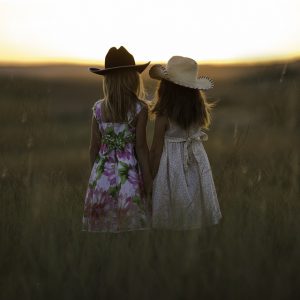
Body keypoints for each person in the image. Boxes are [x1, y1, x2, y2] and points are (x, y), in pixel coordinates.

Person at [82, 46, 152, 232]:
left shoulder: (98, 108)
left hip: (101, 175)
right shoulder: (139, 109)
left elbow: (93, 147)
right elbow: (142, 148)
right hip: (128, 176)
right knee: (130, 228)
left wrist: (95, 176)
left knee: (103, 230)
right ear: (133, 79)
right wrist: (148, 182)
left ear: (108, 81)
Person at [149, 56, 222, 230]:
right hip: (197, 159)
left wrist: (150, 176)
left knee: (174, 206)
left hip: (171, 164)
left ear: (165, 87)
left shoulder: (163, 114)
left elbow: (156, 150)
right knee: (197, 200)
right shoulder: (197, 109)